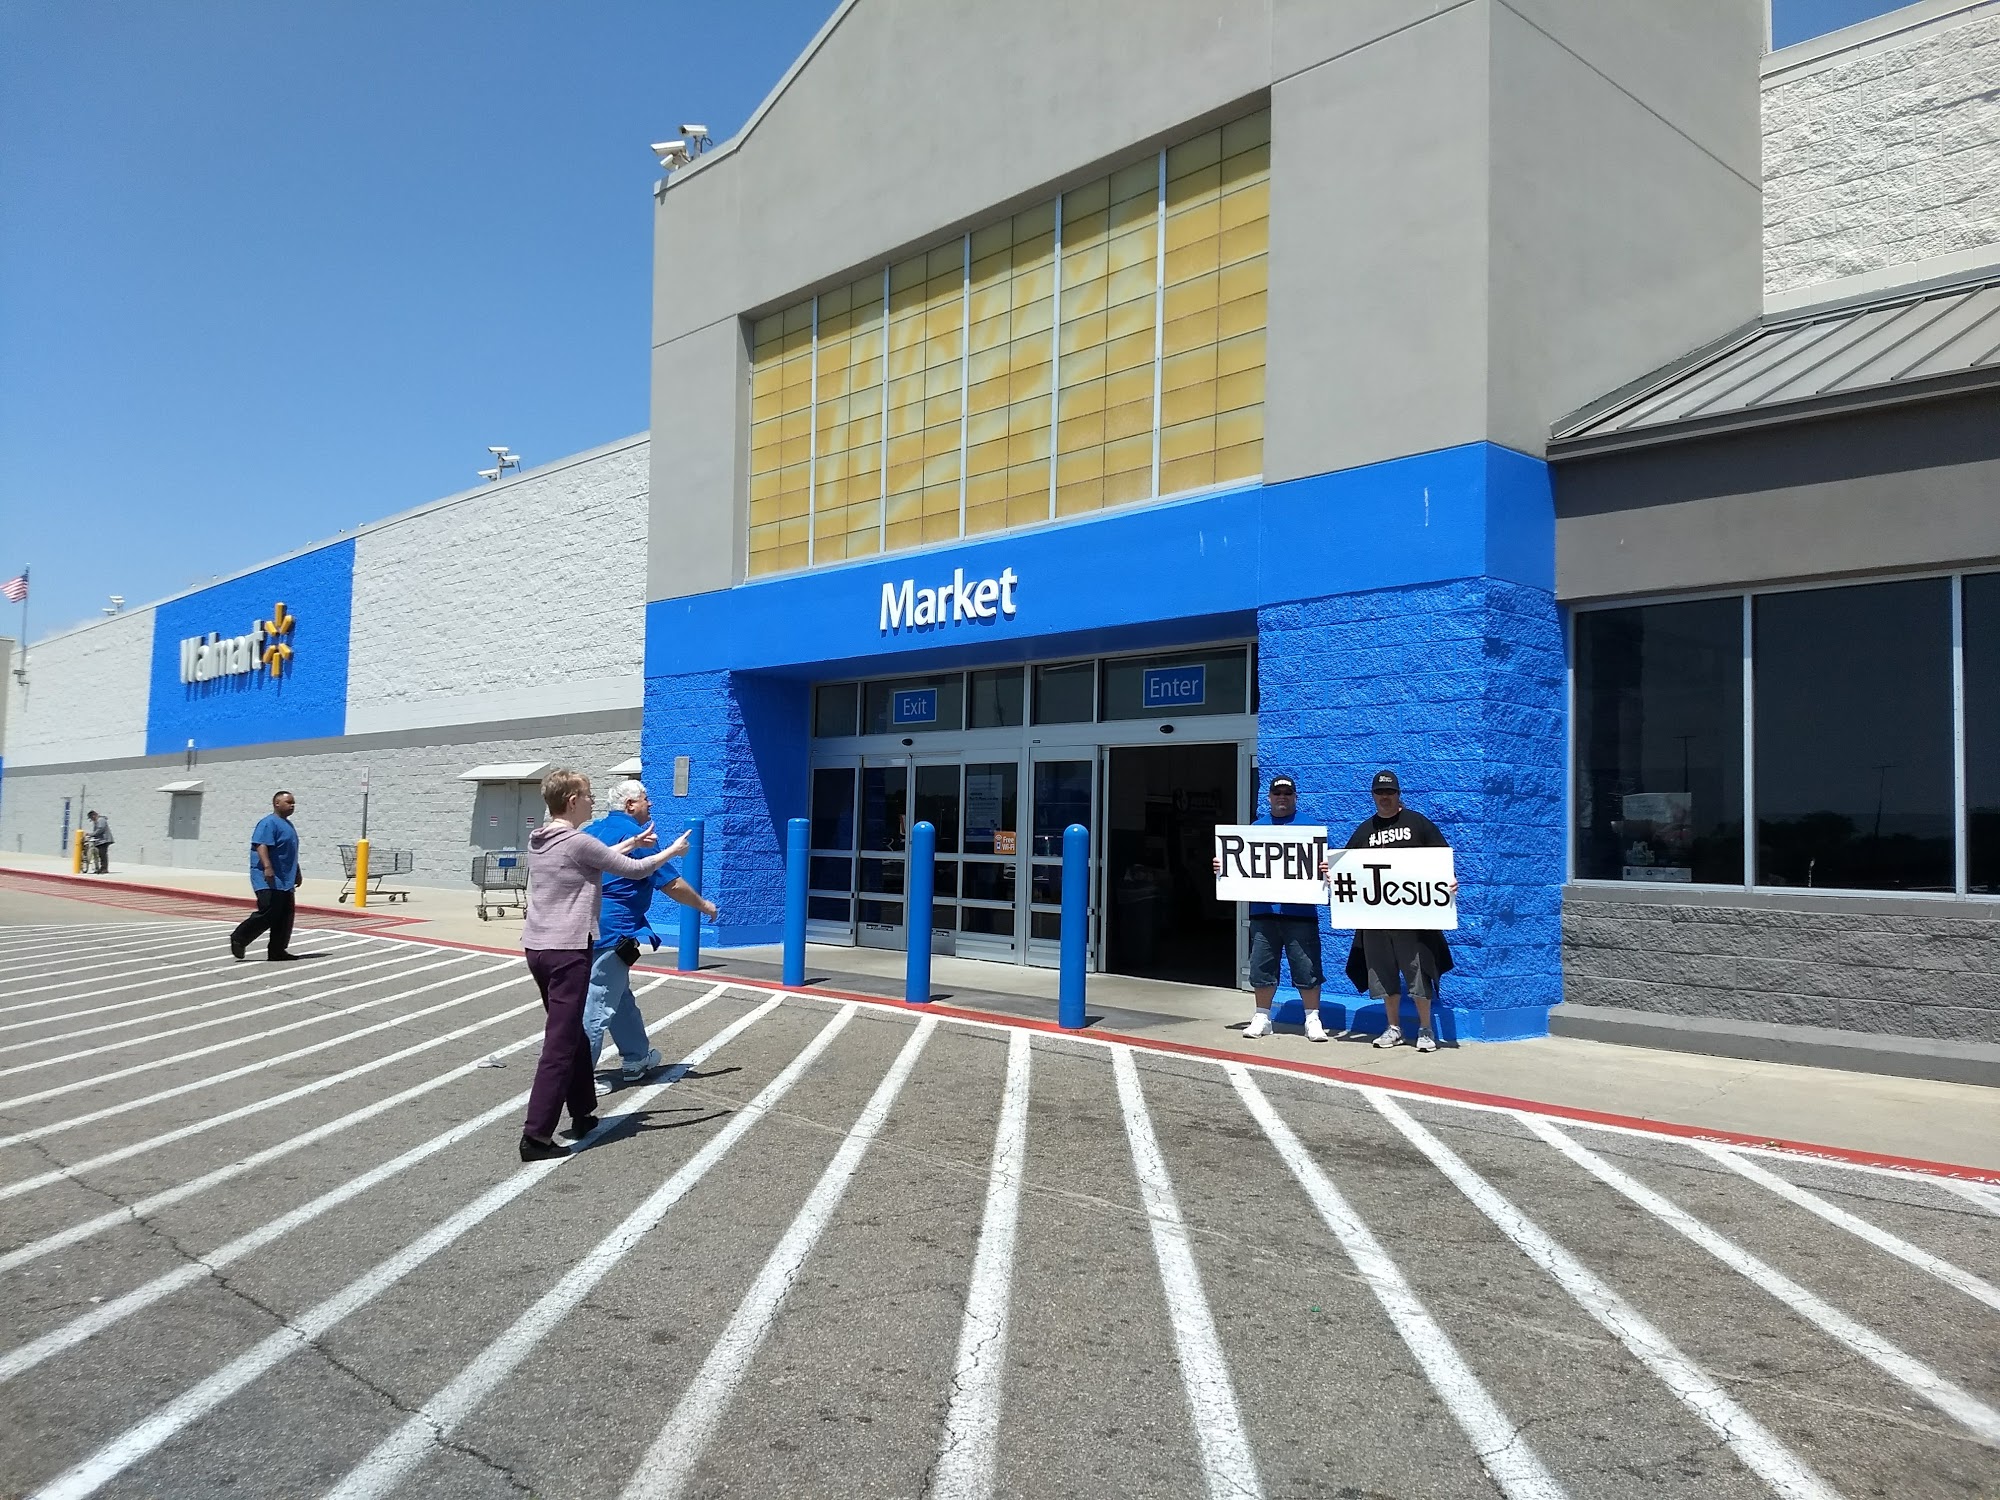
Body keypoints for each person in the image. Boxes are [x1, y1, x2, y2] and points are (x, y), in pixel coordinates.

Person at [518, 768, 685, 1161]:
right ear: (573, 801)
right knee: (560, 1044)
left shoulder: (541, 838)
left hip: (537, 948)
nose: (593, 800)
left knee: (573, 1031)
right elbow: (635, 869)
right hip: (567, 951)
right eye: (588, 794)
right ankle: (536, 1136)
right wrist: (671, 851)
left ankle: (582, 1112)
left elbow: (601, 857)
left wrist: (634, 841)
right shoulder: (577, 841)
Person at [580, 778, 718, 1095]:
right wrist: (704, 905)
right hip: (614, 931)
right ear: (630, 805)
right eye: (645, 798)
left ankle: (636, 1057)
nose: (650, 803)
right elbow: (671, 884)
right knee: (598, 1004)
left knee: (618, 996)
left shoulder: (591, 832)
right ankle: (579, 1078)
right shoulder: (639, 838)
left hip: (583, 928)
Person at [1341, 769, 1456, 1054]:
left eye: (1390, 792)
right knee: (1383, 975)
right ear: (1373, 796)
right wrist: (1331, 872)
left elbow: (1441, 858)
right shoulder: (1365, 830)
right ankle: (1393, 1028)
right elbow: (1346, 865)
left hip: (1412, 921)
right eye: (1380, 792)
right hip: (1376, 921)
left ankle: (1426, 1029)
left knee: (1418, 973)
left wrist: (1449, 881)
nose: (1385, 797)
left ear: (1398, 794)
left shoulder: (1418, 824)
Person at [1215, 775, 1330, 1042]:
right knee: (1261, 966)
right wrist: (1223, 867)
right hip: (1263, 912)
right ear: (1269, 797)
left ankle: (1312, 1019)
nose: (1282, 797)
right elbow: (1240, 863)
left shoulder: (1311, 827)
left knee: (1308, 967)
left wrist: (1328, 868)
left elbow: (1326, 867)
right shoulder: (1255, 829)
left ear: (1295, 797)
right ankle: (1262, 1017)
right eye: (1277, 793)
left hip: (1301, 913)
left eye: (1287, 793)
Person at [230, 791, 302, 961]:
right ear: (276, 803)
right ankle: (239, 937)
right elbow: (261, 845)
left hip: (285, 880)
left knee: (285, 915)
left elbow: (289, 852)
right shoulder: (268, 823)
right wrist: (267, 867)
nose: (292, 805)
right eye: (288, 802)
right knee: (269, 911)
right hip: (268, 878)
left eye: (293, 802)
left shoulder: (288, 825)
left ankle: (277, 951)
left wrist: (297, 872)